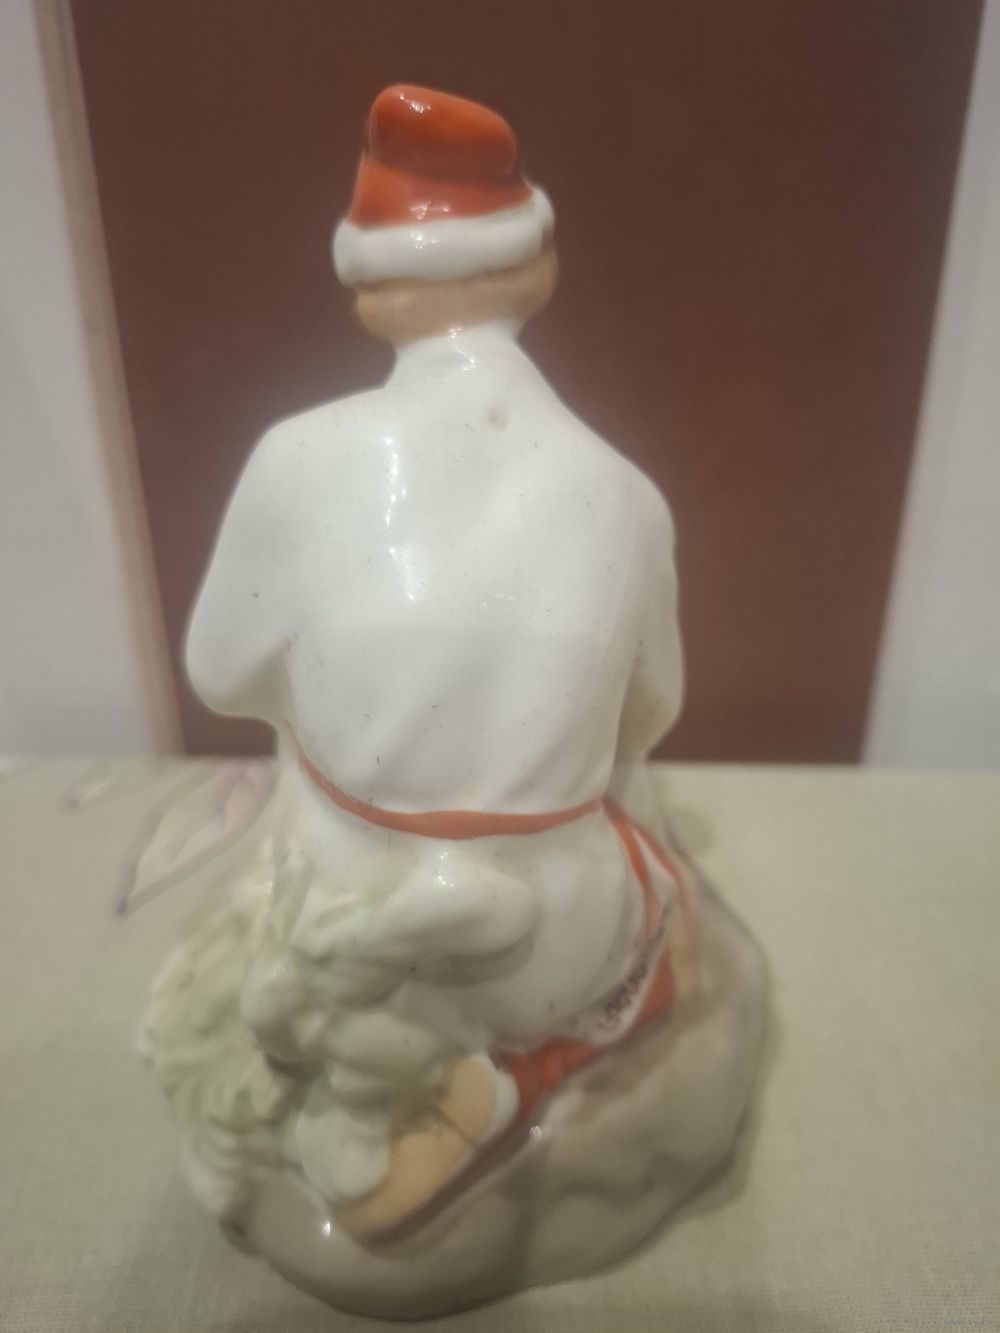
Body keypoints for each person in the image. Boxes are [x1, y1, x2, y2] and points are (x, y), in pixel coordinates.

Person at [185, 85, 694, 1239]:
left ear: (370, 290)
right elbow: (650, 715)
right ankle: (526, 1061)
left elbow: (220, 675)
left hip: (345, 902)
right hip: (549, 939)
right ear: (537, 269)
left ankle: (396, 1079)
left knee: (301, 791)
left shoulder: (293, 460)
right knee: (652, 880)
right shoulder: (628, 496)